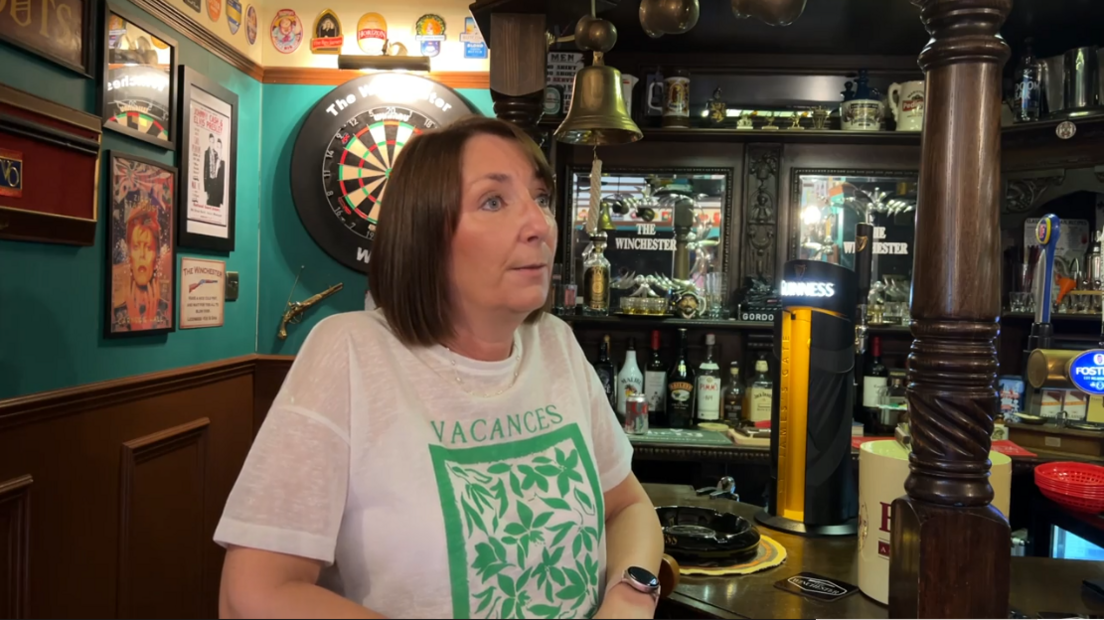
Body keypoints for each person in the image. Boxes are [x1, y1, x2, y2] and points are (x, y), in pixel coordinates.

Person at [214, 116, 664, 619]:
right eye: (493, 201)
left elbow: (627, 507)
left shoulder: (555, 343)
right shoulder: (350, 353)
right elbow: (253, 593)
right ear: (425, 232)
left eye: (540, 198)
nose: (540, 226)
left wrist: (629, 597)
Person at [113, 201, 169, 331]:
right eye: (136, 247)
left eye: (148, 247)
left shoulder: (166, 314)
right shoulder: (116, 317)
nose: (142, 255)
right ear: (130, 257)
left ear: (156, 259)